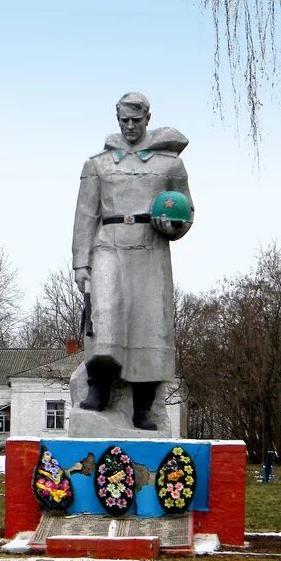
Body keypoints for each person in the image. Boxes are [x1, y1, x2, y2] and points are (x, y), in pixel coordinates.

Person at [72, 92, 191, 430]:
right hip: (108, 245)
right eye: (124, 120)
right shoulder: (98, 164)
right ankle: (99, 390)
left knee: (149, 325)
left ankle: (143, 407)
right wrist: (81, 262)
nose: (130, 126)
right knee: (105, 317)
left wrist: (175, 225)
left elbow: (186, 209)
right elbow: (85, 215)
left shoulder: (170, 165)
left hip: (151, 249)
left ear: (148, 119)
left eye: (136, 120)